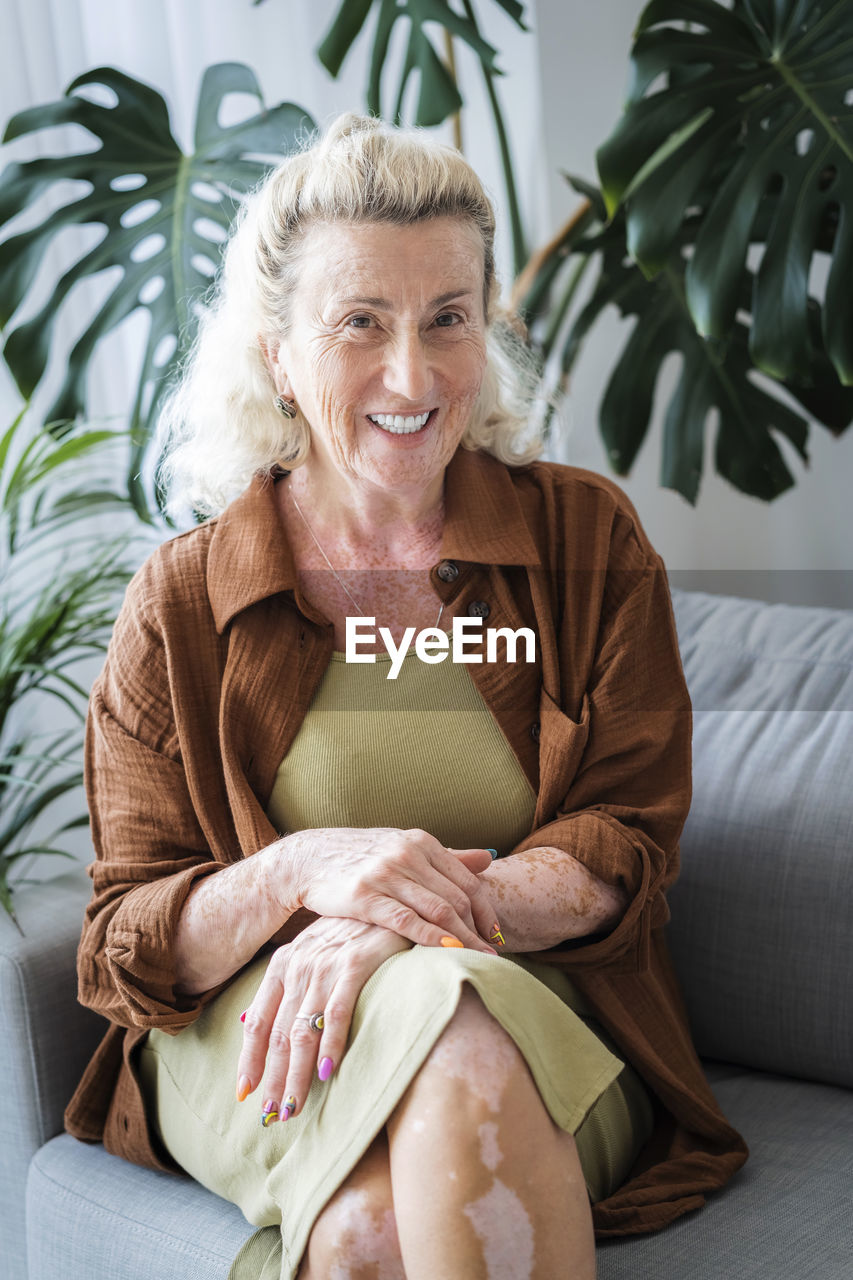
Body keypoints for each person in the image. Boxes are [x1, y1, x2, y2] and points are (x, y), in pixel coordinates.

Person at [66, 113, 747, 1279]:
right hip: (267, 1031)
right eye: (359, 325)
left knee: (399, 1169)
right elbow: (126, 940)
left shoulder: (585, 538)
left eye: (448, 319)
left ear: (488, 328)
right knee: (453, 1019)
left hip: (538, 1010)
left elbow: (625, 838)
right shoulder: (179, 601)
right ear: (276, 351)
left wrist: (393, 915)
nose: (411, 374)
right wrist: (299, 871)